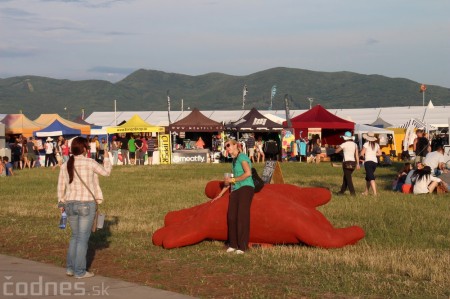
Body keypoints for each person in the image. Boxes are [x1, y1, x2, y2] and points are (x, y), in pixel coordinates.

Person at [57, 137, 112, 279]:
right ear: (85, 149)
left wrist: (60, 202)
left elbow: (60, 186)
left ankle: (70, 268)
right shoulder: (89, 162)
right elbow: (106, 172)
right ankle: (80, 271)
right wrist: (106, 157)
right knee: (82, 238)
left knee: (75, 237)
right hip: (86, 203)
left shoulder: (66, 164)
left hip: (69, 204)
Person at [214, 139, 255, 254]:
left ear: (235, 145)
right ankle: (233, 244)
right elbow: (231, 182)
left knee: (242, 216)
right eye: (225, 146)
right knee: (231, 217)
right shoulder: (233, 161)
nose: (227, 148)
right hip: (236, 189)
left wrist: (233, 179)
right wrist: (220, 194)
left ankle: (242, 246)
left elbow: (248, 173)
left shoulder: (242, 157)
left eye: (228, 145)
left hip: (246, 187)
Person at [335, 131, 360, 196]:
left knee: (348, 179)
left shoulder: (344, 144)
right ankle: (341, 192)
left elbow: (336, 151)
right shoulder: (355, 144)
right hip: (353, 162)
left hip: (346, 162)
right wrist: (358, 164)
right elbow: (357, 155)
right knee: (346, 177)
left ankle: (353, 193)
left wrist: (337, 147)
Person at [360, 132, 382, 196]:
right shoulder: (377, 145)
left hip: (368, 161)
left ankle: (375, 193)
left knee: (371, 178)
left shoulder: (366, 144)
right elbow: (380, 153)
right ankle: (366, 192)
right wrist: (374, 153)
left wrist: (362, 156)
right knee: (368, 177)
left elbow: (362, 153)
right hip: (374, 162)